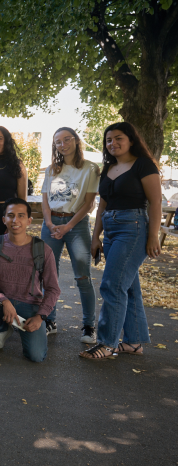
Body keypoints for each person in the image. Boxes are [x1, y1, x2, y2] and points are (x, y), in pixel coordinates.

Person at [80, 122, 161, 360]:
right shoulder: (108, 168)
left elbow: (155, 202)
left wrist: (153, 235)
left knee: (112, 285)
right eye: (108, 140)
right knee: (128, 287)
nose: (112, 143)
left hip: (133, 228)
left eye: (118, 138)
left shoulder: (143, 165)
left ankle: (107, 343)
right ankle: (133, 342)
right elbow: (102, 204)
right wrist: (96, 237)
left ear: (131, 140)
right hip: (112, 228)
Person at [0, 198, 60, 363]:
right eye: (11, 215)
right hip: (2, 302)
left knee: (36, 356)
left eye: (21, 216)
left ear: (29, 221)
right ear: (3, 219)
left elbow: (53, 289)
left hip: (30, 306)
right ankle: (2, 329)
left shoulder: (43, 249)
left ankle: (22, 327)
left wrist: (41, 316)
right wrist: (4, 301)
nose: (15, 220)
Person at [41, 127, 100, 342]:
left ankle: (88, 326)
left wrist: (68, 226)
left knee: (82, 276)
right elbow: (45, 200)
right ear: (54, 145)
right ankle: (49, 320)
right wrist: (48, 223)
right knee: (48, 274)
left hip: (77, 224)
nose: (63, 144)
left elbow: (88, 203)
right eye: (58, 141)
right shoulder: (51, 169)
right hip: (52, 223)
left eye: (67, 139)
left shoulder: (90, 168)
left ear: (76, 141)